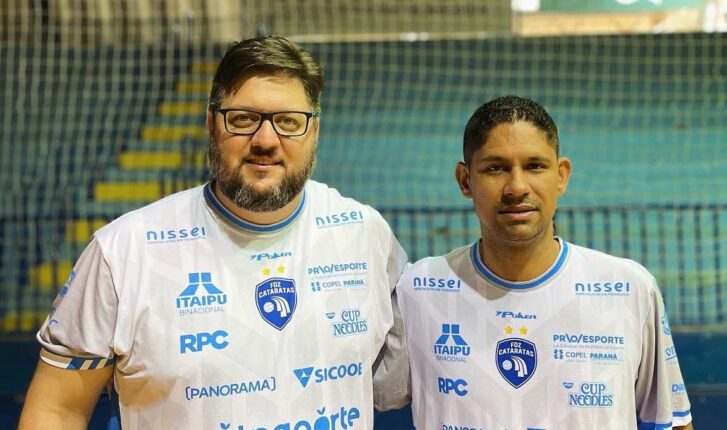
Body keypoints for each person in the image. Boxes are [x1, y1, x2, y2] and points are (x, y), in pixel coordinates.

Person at [19, 36, 409, 430]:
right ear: (211, 123)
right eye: (243, 118)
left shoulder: (365, 235)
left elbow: (397, 382)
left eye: (288, 122)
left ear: (314, 131)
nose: (266, 140)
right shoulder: (123, 251)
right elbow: (57, 409)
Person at [396, 96, 692, 430]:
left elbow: (673, 423)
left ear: (562, 175)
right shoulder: (418, 291)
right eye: (496, 168)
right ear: (465, 180)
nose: (517, 187)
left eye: (535, 166)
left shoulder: (629, 289)